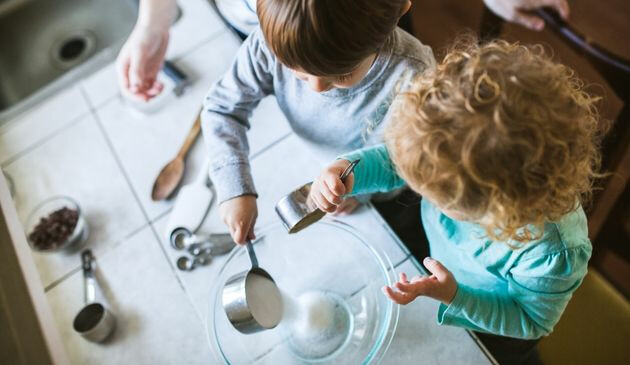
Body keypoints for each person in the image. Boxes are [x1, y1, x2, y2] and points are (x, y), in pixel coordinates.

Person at [307, 39, 603, 365]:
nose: (420, 193)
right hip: (443, 267)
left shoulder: (553, 254)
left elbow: (530, 320)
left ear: (496, 207)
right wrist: (347, 173)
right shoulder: (450, 156)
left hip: (493, 333)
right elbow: (399, 161)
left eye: (434, 195)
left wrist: (454, 295)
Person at [202, 0, 435, 244]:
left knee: (404, 239)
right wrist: (233, 188)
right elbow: (222, 108)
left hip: (387, 194)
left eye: (342, 75)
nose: (317, 88)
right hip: (323, 167)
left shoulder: (415, 75)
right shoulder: (274, 41)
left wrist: (360, 185)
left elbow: (414, 158)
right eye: (299, 74)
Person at [116, 0, 570, 102]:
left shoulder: (402, 60)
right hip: (253, 24)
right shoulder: (265, 42)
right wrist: (153, 21)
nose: (315, 89)